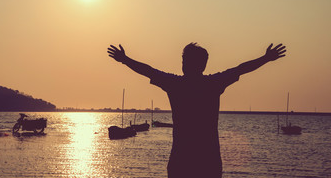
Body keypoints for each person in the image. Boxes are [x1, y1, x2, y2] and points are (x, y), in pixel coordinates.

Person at [107, 42, 286, 178]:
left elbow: (148, 71)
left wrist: (124, 60)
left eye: (185, 60)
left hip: (182, 161)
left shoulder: (176, 84)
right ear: (203, 65)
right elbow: (240, 69)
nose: (183, 63)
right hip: (208, 161)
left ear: (191, 63)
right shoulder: (213, 83)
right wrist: (266, 58)